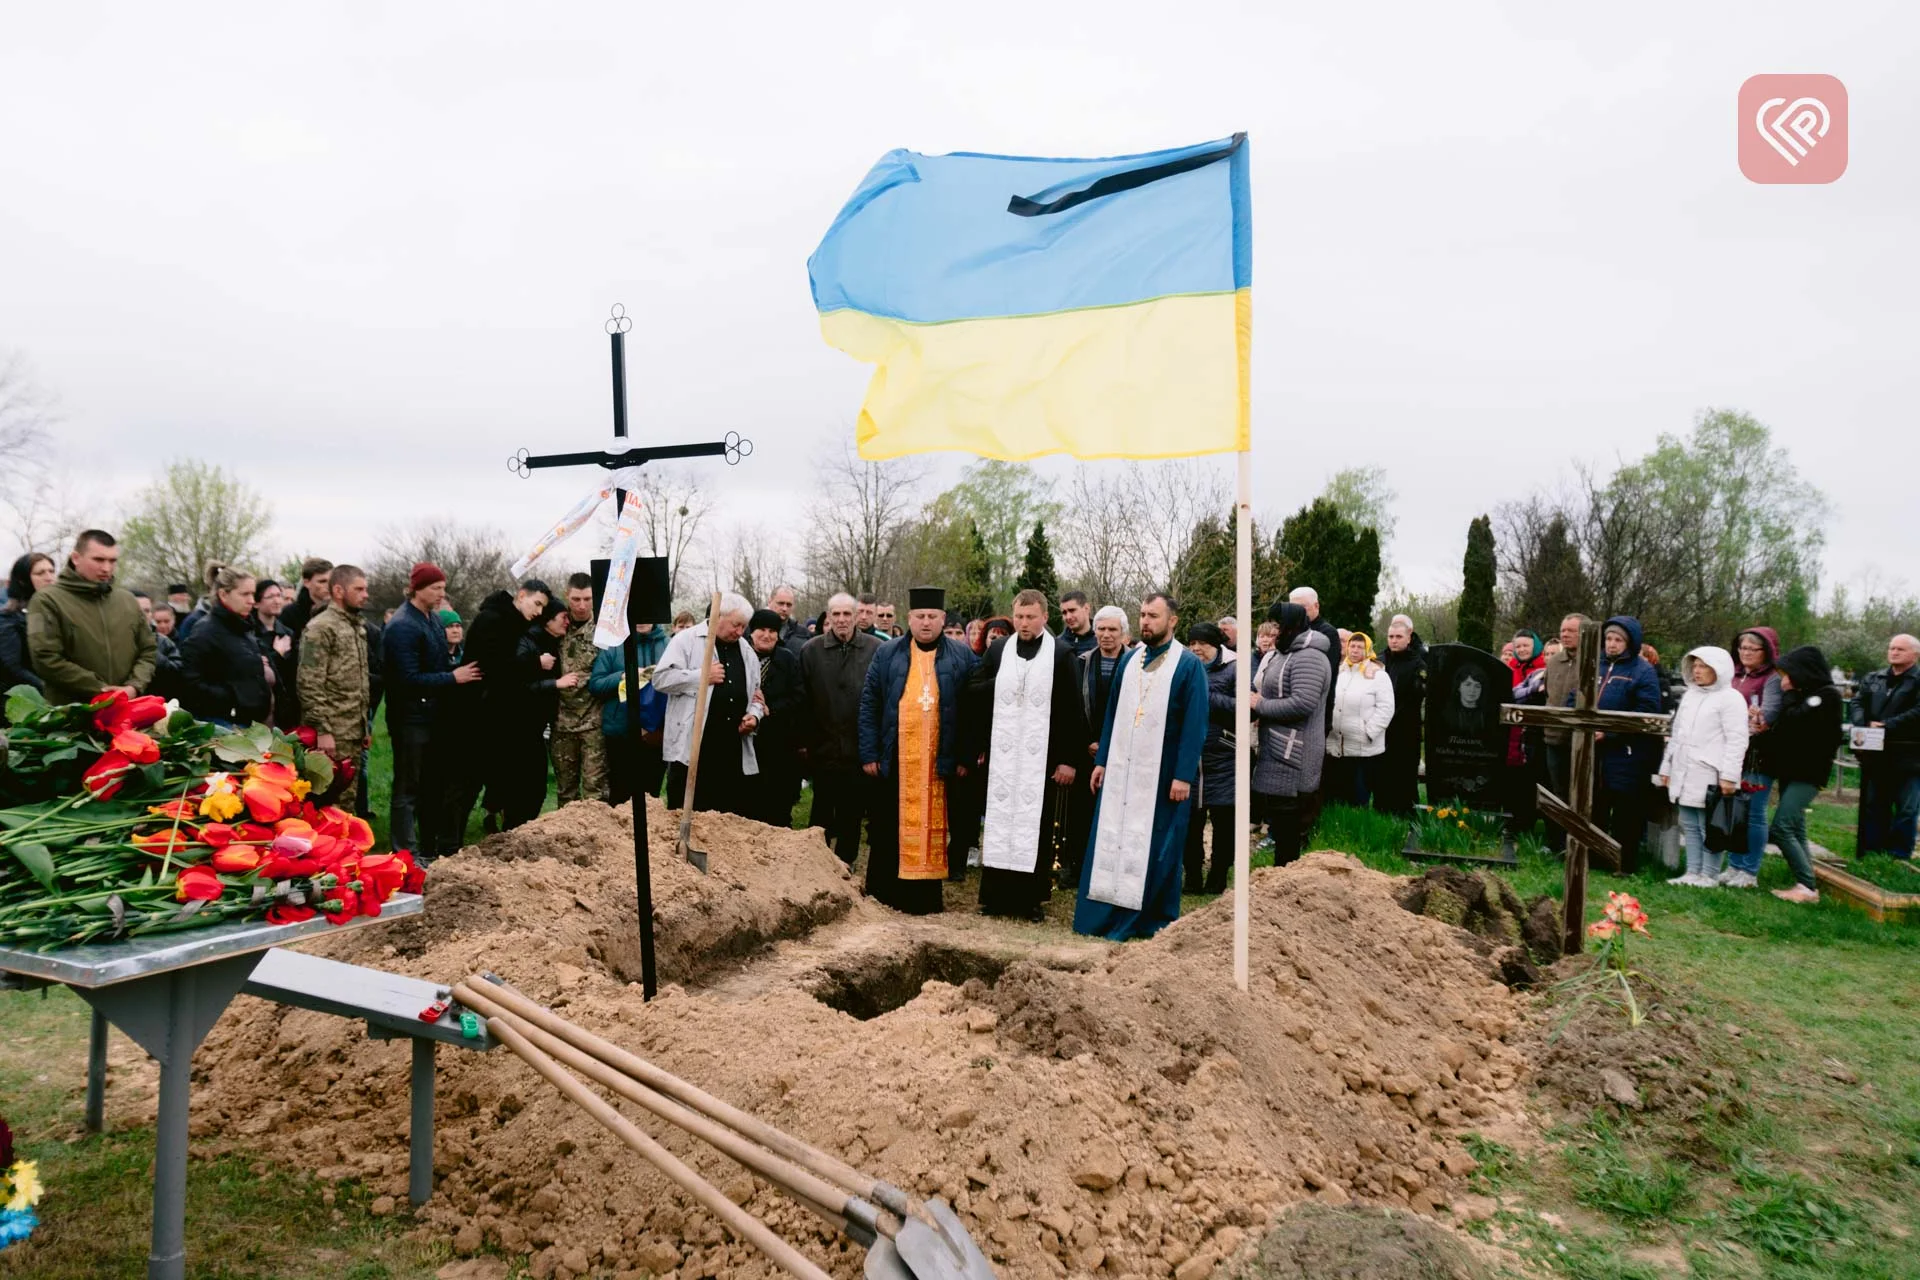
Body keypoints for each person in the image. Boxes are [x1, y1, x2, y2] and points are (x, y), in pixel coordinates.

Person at [1073, 593, 1208, 940]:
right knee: (1111, 838)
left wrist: (1183, 775)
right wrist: (1102, 761)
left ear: (1172, 620)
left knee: (1155, 846)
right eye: (1143, 615)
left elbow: (1195, 725)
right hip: (1121, 770)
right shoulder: (1130, 660)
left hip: (1161, 776)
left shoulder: (1187, 665)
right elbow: (1112, 715)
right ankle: (1102, 917)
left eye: (1154, 615)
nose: (1146, 621)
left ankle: (1146, 919)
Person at [968, 589, 1090, 920]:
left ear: (1044, 618)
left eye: (1031, 617)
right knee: (999, 821)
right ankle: (993, 897)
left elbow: (1072, 711)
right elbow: (973, 690)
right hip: (1004, 757)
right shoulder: (998, 650)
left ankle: (1030, 900)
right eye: (1019, 617)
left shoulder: (1060, 654)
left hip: (1043, 759)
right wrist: (1002, 685)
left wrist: (1069, 760)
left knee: (1034, 826)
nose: (1024, 623)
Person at [859, 586, 976, 914]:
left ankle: (923, 900)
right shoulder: (887, 653)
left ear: (942, 619)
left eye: (932, 617)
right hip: (895, 757)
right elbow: (870, 702)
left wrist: (965, 757)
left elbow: (971, 712)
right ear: (909, 619)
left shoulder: (962, 656)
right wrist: (869, 753)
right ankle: (883, 894)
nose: (926, 623)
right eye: (920, 616)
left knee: (933, 829)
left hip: (939, 762)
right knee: (886, 827)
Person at [384, 563, 481, 857]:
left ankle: (427, 847)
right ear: (417, 589)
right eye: (435, 588)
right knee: (407, 788)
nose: (442, 594)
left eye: (442, 587)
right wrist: (453, 677)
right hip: (410, 718)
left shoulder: (432, 620)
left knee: (430, 785)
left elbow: (436, 664)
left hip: (432, 717)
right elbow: (407, 680)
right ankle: (405, 853)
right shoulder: (402, 626)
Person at [450, 578, 552, 834]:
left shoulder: (509, 621)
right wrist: (535, 663)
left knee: (487, 781)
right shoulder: (495, 621)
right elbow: (496, 667)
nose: (538, 612)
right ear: (521, 595)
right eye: (536, 603)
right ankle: (448, 842)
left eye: (542, 607)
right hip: (478, 713)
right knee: (467, 784)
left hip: (493, 713)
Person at [653, 592, 760, 817]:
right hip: (693, 751)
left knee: (726, 820)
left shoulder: (747, 651)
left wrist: (754, 715)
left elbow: (756, 695)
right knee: (686, 816)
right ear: (718, 616)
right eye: (736, 625)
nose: (740, 632)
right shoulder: (686, 640)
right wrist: (701, 676)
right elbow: (660, 679)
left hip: (731, 752)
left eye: (744, 627)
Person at [26, 530, 157, 707]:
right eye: (98, 560)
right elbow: (44, 658)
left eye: (112, 561)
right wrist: (101, 689)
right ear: (75, 558)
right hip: (71, 715)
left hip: (126, 711)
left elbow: (148, 650)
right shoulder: (44, 601)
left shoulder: (127, 601)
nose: (106, 568)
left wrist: (134, 686)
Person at [1659, 647, 1749, 888]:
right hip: (1684, 769)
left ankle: (1709, 874)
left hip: (1712, 772)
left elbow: (1737, 739)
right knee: (1689, 823)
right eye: (1695, 666)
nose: (1697, 671)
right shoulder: (1690, 696)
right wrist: (1666, 767)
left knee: (1710, 825)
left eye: (1703, 666)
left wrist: (1729, 776)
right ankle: (1693, 871)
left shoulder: (1731, 699)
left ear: (1718, 669)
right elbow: (1676, 734)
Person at [801, 593, 881, 863]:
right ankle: (817, 869)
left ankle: (846, 870)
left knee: (851, 816)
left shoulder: (873, 648)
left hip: (858, 750)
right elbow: (804, 700)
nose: (842, 620)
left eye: (847, 614)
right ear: (828, 616)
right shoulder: (811, 651)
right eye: (836, 614)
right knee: (821, 815)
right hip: (823, 749)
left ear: (857, 616)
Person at [1251, 602, 1333, 867]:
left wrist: (1259, 704)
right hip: (1279, 750)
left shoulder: (1310, 657)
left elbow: (1302, 704)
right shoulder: (1285, 653)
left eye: (1278, 625)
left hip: (1294, 755)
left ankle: (1287, 883)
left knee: (1288, 829)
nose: (1273, 631)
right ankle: (1281, 880)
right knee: (1281, 823)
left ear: (1292, 625)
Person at [1764, 646, 1845, 903]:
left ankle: (1807, 886)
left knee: (1782, 826)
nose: (1784, 681)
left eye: (1788, 675)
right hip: (1792, 769)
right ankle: (1805, 880)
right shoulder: (1807, 695)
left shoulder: (1825, 697)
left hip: (1808, 773)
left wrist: (1788, 696)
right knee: (1796, 827)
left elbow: (1795, 722)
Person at [1591, 616, 1665, 874]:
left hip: (1627, 754)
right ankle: (1596, 856)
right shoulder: (1594, 666)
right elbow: (1574, 698)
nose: (1612, 644)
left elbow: (1646, 712)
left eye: (1618, 640)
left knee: (1626, 810)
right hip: (1593, 752)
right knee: (1596, 804)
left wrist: (1609, 734)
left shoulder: (1642, 671)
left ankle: (1624, 862)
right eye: (1609, 639)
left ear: (1630, 642)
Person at [1066, 604, 1132, 887]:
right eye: (1102, 629)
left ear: (1124, 634)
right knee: (1081, 813)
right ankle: (1076, 866)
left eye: (1112, 630)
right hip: (1085, 750)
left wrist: (1109, 746)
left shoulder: (1135, 663)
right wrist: (1089, 743)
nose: (1106, 635)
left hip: (1122, 752)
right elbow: (1072, 707)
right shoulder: (1081, 662)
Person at [296, 564, 371, 811]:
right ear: (338, 590)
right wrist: (322, 730)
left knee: (348, 802)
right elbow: (309, 683)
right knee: (330, 802)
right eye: (358, 589)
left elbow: (358, 679)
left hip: (353, 730)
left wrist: (364, 726)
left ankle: (348, 848)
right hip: (332, 731)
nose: (365, 594)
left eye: (365, 589)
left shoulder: (355, 626)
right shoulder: (321, 628)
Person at [497, 600, 577, 829]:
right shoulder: (528, 642)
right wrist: (555, 683)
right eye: (563, 616)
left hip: (535, 725)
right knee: (526, 786)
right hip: (520, 726)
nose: (567, 621)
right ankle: (513, 832)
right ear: (548, 619)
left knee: (535, 786)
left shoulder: (550, 642)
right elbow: (516, 686)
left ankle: (520, 830)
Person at [176, 564, 271, 726]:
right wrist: (232, 700)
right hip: (223, 724)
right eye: (244, 594)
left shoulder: (244, 627)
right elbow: (189, 682)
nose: (251, 601)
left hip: (250, 721)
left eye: (253, 594)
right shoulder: (205, 631)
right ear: (223, 594)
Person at [589, 619, 670, 807]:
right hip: (620, 731)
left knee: (651, 795)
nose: (642, 621)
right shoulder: (614, 645)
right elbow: (596, 684)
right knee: (620, 793)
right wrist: (623, 676)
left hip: (655, 732)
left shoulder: (667, 645)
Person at [1852, 633, 1919, 858]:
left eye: (1901, 649)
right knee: (1874, 804)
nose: (1894, 652)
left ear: (1915, 655)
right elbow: (1857, 701)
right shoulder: (1874, 678)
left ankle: (1898, 854)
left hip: (1910, 755)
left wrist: (1887, 725)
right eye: (1892, 648)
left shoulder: (1917, 680)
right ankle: (1873, 850)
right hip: (1876, 753)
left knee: (1907, 808)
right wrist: (1863, 724)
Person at [1183, 621, 1237, 895]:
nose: (1196, 649)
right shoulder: (1186, 666)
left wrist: (1208, 698)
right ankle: (1192, 876)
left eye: (1201, 644)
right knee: (1191, 822)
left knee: (1224, 823)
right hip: (1192, 756)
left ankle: (1218, 876)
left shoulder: (1234, 668)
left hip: (1224, 757)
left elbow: (1245, 707)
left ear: (1215, 646)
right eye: (1192, 644)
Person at [1726, 626, 1782, 885]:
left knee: (1754, 812)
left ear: (1766, 651)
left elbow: (1767, 715)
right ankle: (1734, 864)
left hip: (1759, 754)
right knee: (1734, 810)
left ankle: (1750, 871)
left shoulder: (1771, 678)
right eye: (1742, 647)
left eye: (1752, 648)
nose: (1746, 653)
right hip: (1731, 749)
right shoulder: (1733, 675)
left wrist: (1750, 717)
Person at [746, 608, 805, 826]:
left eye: (772, 630)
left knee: (777, 806)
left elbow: (799, 696)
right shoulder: (741, 655)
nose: (767, 635)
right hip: (746, 740)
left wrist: (771, 709)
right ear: (751, 632)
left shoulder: (787, 659)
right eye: (761, 629)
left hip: (778, 742)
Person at [550, 574, 605, 806]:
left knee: (596, 789)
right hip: (562, 721)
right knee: (566, 791)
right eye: (575, 599)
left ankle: (597, 838)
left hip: (593, 722)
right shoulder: (557, 626)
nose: (581, 605)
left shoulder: (604, 630)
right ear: (567, 596)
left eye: (587, 599)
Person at [1325, 631, 1395, 809]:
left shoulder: (1378, 675)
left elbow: (1386, 708)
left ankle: (1358, 829)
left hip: (1363, 747)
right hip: (1337, 745)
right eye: (1352, 646)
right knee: (1338, 796)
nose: (1355, 650)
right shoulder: (1339, 671)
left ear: (1368, 650)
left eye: (1360, 647)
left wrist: (1368, 732)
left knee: (1358, 795)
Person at [1541, 614, 1589, 850]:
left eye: (1571, 630)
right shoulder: (1554, 661)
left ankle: (1579, 842)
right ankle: (1557, 844)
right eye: (1563, 630)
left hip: (1581, 740)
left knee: (1579, 793)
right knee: (1556, 791)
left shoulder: (1592, 661)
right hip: (1553, 736)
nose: (1565, 634)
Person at [1377, 615, 1426, 815]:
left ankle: (1406, 812)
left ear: (1409, 637)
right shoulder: (1380, 660)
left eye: (1398, 636)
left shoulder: (1418, 663)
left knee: (1404, 773)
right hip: (1383, 727)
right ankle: (1381, 811)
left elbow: (1418, 695)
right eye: (1391, 636)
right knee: (1383, 772)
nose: (1394, 640)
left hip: (1406, 726)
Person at [0, 553, 55, 716]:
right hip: (19, 706)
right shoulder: (8, 619)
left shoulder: (53, 613)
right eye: (40, 573)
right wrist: (51, 690)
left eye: (52, 571)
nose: (49, 577)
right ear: (23, 580)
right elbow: (13, 667)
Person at [253, 578, 299, 728]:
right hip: (263, 705)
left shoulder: (287, 633)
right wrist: (277, 654)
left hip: (286, 704)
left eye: (279, 595)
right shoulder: (250, 633)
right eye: (270, 597)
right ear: (257, 602)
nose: (277, 600)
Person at [281, 557, 332, 642]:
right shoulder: (289, 614)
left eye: (331, 581)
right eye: (322, 581)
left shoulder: (342, 610)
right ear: (307, 583)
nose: (328, 586)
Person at [767, 584, 811, 657]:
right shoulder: (753, 629)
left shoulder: (804, 634)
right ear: (769, 602)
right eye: (781, 603)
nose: (785, 609)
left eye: (789, 605)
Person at [1058, 591, 1096, 656]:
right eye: (1064, 613)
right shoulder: (1058, 644)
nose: (1068, 617)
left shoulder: (1102, 641)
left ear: (1086, 608)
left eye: (1072, 610)